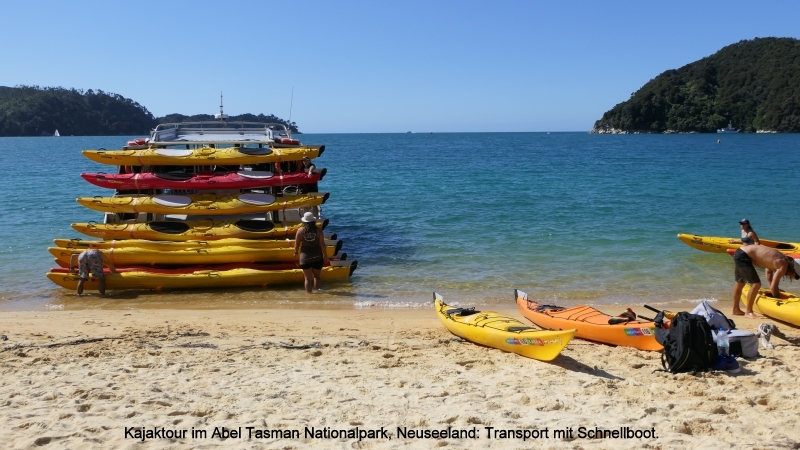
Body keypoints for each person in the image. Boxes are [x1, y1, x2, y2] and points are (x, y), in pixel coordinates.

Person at [732, 244, 800, 318]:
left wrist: (771, 286)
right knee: (756, 284)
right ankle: (748, 312)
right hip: (744, 256)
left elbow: (768, 270)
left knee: (740, 283)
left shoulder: (780, 258)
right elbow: (774, 287)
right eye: (796, 276)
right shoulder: (783, 265)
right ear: (794, 270)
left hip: (740, 252)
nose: (793, 277)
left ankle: (736, 309)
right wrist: (778, 300)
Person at [294, 212, 328, 293]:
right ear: (313, 221)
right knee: (317, 277)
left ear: (304, 221)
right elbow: (322, 244)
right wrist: (326, 256)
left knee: (307, 279)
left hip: (305, 257)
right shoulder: (318, 230)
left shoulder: (300, 230)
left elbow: (297, 244)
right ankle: (319, 295)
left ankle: (309, 297)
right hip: (317, 256)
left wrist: (295, 252)